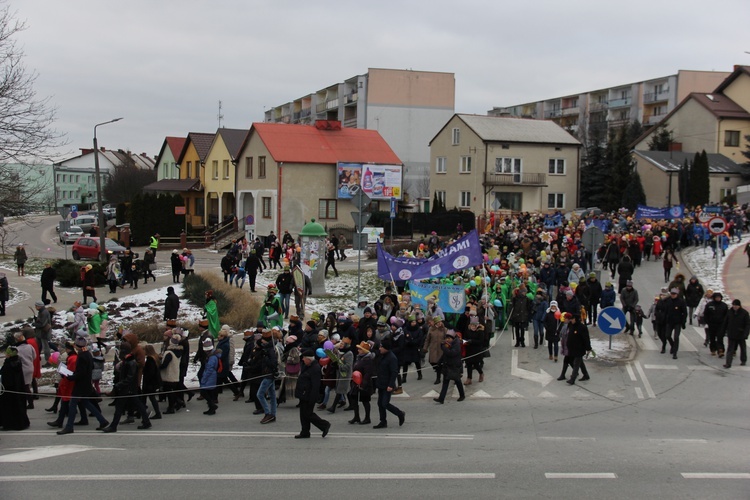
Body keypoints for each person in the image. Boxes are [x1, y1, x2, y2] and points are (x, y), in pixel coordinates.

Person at [58, 336, 110, 435]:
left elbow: (81, 372)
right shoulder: (88, 354)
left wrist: (71, 376)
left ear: (77, 346)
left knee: (73, 404)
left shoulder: (81, 356)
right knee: (86, 403)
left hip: (80, 385)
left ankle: (69, 427)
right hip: (86, 383)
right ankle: (102, 421)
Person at [101, 344, 152, 432]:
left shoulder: (130, 362)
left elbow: (130, 377)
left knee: (120, 407)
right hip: (129, 388)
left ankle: (113, 426)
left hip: (127, 389)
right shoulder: (128, 361)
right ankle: (146, 421)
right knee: (137, 405)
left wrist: (119, 385)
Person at [294, 350, 331, 439]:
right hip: (303, 394)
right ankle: (305, 431)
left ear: (309, 360)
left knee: (308, 414)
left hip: (309, 395)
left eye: (304, 359)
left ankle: (324, 425)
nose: (303, 360)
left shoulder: (315, 369)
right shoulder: (307, 366)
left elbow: (315, 385)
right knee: (303, 414)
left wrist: (313, 398)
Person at [373, 337, 406, 428]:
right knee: (380, 403)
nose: (379, 348)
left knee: (385, 403)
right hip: (381, 383)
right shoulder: (382, 355)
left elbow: (394, 372)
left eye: (381, 347)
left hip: (387, 384)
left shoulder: (392, 358)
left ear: (386, 348)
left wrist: (391, 385)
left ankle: (399, 413)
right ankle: (383, 421)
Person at [0, 346, 30, 430]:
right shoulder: (18, 362)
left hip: (9, 390)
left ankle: (9, 424)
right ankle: (21, 423)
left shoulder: (8, 364)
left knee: (9, 408)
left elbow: (4, 374)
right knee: (18, 406)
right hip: (18, 388)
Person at [433, 329, 465, 404]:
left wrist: (443, 348)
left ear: (453, 338)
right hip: (447, 365)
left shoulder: (456, 344)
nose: (447, 340)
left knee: (457, 381)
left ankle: (462, 395)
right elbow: (445, 354)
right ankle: (441, 398)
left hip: (454, 366)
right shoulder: (447, 344)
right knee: (445, 382)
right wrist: (439, 362)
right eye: (446, 338)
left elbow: (451, 353)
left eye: (449, 338)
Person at [348, 341, 375, 425]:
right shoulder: (359, 357)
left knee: (365, 400)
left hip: (364, 383)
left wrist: (363, 384)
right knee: (353, 398)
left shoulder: (367, 359)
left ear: (364, 351)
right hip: (356, 382)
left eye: (360, 349)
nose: (358, 350)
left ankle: (367, 418)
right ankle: (356, 416)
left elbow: (368, 373)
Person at [256, 329, 278, 424]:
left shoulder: (270, 350)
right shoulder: (267, 348)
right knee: (272, 395)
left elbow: (273, 363)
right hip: (268, 374)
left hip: (268, 374)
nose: (262, 341)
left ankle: (268, 413)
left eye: (263, 339)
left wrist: (265, 357)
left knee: (260, 394)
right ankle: (273, 414)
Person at [565, 313, 591, 384]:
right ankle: (586, 375)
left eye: (572, 319)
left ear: (576, 319)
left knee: (576, 363)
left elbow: (586, 339)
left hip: (579, 348)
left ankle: (572, 379)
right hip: (572, 348)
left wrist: (588, 348)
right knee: (580, 363)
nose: (571, 320)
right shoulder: (571, 325)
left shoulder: (582, 327)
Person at [722, 299, 749, 368]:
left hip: (741, 334)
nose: (734, 307)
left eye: (736, 305)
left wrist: (746, 334)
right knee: (730, 349)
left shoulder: (744, 313)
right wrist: (723, 331)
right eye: (733, 305)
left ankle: (743, 360)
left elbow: (747, 324)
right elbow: (725, 322)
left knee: (743, 348)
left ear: (739, 306)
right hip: (731, 333)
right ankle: (728, 363)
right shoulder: (730, 312)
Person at [664, 287, 688, 360]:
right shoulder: (668, 301)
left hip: (678, 322)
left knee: (676, 337)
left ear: (677, 294)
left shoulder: (681, 302)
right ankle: (673, 345)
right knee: (667, 335)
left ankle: (675, 352)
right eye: (672, 294)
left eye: (674, 294)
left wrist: (683, 322)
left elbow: (685, 313)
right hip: (670, 321)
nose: (673, 295)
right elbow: (665, 311)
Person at [199, 338, 221, 415]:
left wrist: (203, 379)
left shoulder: (212, 357)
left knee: (204, 392)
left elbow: (209, 369)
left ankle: (212, 406)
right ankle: (211, 408)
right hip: (212, 375)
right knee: (210, 392)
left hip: (210, 376)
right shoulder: (213, 355)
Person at [703, 292, 728, 357]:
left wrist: (725, 323)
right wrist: (707, 322)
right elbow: (706, 314)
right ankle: (713, 349)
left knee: (720, 337)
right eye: (716, 297)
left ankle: (720, 350)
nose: (718, 299)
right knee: (712, 338)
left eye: (719, 298)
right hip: (712, 324)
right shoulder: (709, 305)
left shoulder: (724, 305)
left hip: (720, 325)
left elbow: (726, 315)